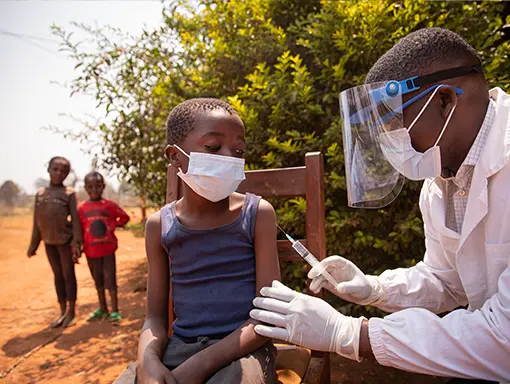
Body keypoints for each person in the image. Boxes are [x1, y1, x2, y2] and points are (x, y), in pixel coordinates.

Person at [250, 28, 510, 382]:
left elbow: (504, 337)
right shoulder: (441, 183)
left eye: (392, 122)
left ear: (445, 101)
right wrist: (376, 288)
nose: (389, 141)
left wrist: (350, 334)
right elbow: (446, 282)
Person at [135, 98, 281, 384]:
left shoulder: (257, 214)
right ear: (174, 156)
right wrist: (147, 363)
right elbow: (154, 318)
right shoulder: (159, 226)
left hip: (245, 350)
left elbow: (267, 315)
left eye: (238, 150)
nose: (229, 156)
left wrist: (201, 364)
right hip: (179, 349)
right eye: (213, 148)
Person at [27, 156, 82, 328]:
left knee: (68, 275)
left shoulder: (70, 194)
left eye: (63, 171)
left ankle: (71, 312)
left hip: (66, 242)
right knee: (58, 275)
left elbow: (75, 221)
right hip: (49, 243)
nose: (59, 173)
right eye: (55, 169)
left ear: (67, 174)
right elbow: (37, 222)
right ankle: (62, 311)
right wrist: (33, 245)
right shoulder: (40, 194)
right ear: (48, 169)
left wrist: (76, 243)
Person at [78, 171, 130, 324]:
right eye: (90, 187)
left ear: (103, 187)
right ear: (86, 188)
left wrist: (113, 225)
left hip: (107, 250)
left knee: (110, 279)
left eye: (98, 186)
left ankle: (114, 311)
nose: (94, 190)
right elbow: (78, 229)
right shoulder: (81, 208)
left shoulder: (109, 205)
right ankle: (103, 309)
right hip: (90, 251)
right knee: (98, 280)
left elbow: (124, 217)